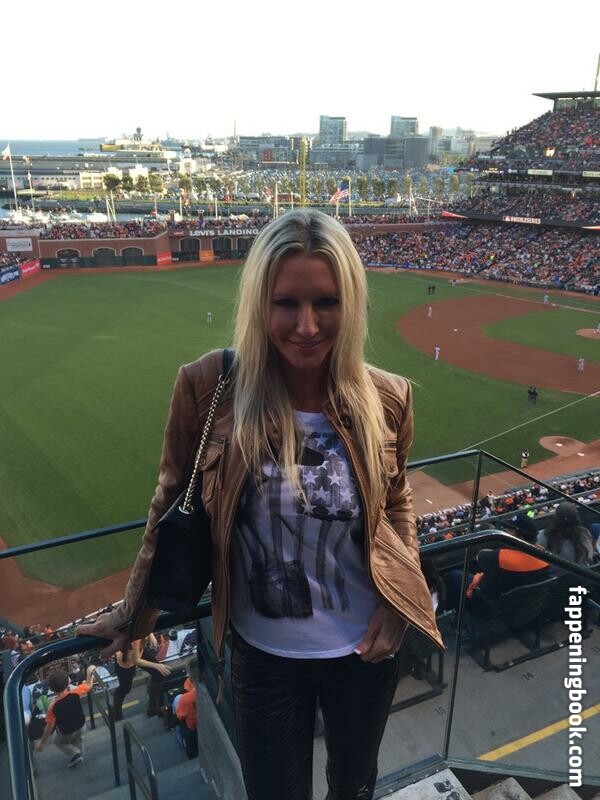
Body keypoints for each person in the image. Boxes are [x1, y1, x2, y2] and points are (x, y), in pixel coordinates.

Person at [78, 209, 442, 800]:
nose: (307, 325)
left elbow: (396, 504)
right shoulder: (208, 387)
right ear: (258, 304)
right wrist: (135, 613)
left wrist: (401, 601)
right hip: (263, 656)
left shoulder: (389, 397)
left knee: (355, 787)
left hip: (364, 652)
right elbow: (170, 504)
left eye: (326, 302)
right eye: (286, 303)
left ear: (351, 304)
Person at [34, 664, 97, 768]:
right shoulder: (76, 692)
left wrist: (42, 742)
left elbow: (49, 726)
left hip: (66, 732)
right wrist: (89, 672)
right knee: (78, 738)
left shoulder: (52, 706)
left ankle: (75, 753)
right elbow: (89, 685)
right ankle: (79, 753)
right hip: (81, 725)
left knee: (57, 740)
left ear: (51, 689)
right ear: (68, 681)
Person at [112, 634, 171, 721]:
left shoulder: (140, 630)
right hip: (127, 659)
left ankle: (153, 708)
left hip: (138, 650)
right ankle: (116, 712)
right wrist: (156, 665)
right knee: (125, 688)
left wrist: (151, 635)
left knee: (158, 674)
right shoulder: (135, 638)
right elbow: (136, 661)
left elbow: (145, 627)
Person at [536, 502, 594, 573]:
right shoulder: (585, 533)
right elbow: (590, 559)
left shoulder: (542, 536)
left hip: (557, 579)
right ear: (577, 518)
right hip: (586, 577)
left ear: (555, 518)